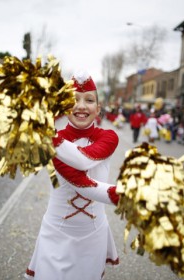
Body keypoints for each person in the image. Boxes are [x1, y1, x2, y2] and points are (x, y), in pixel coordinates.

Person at [25, 71, 120, 279]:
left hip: (93, 234)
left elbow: (84, 160)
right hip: (56, 232)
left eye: (89, 100)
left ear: (98, 108)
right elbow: (78, 181)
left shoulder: (109, 137)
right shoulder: (56, 139)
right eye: (73, 100)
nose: (81, 106)